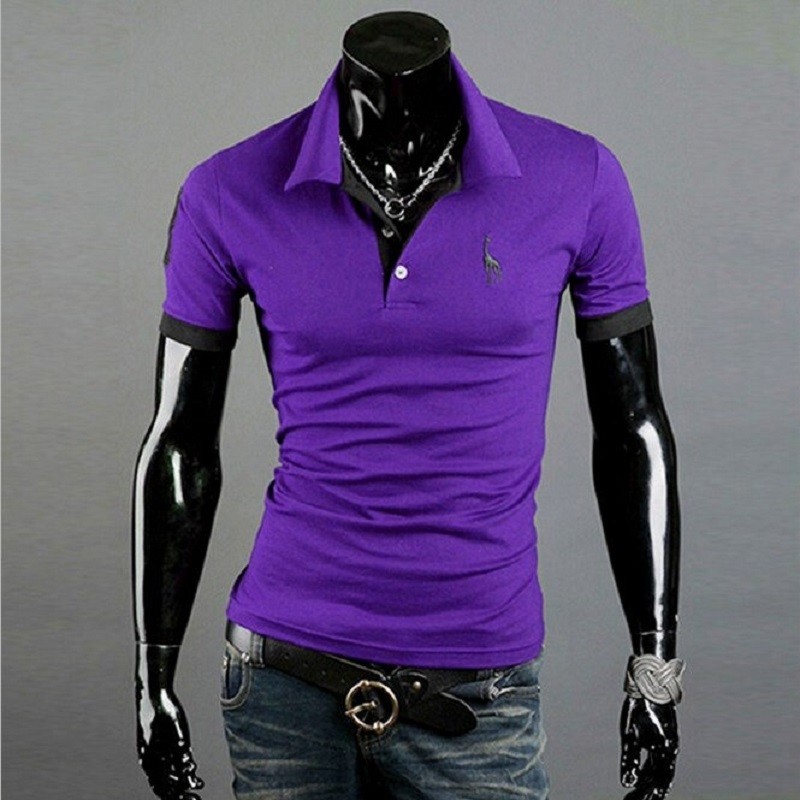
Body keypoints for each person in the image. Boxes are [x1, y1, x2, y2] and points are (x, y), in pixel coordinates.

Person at [133, 10, 684, 800]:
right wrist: (152, 673)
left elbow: (634, 426)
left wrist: (654, 664)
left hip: (477, 694)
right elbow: (179, 441)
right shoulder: (228, 190)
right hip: (283, 686)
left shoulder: (577, 178)